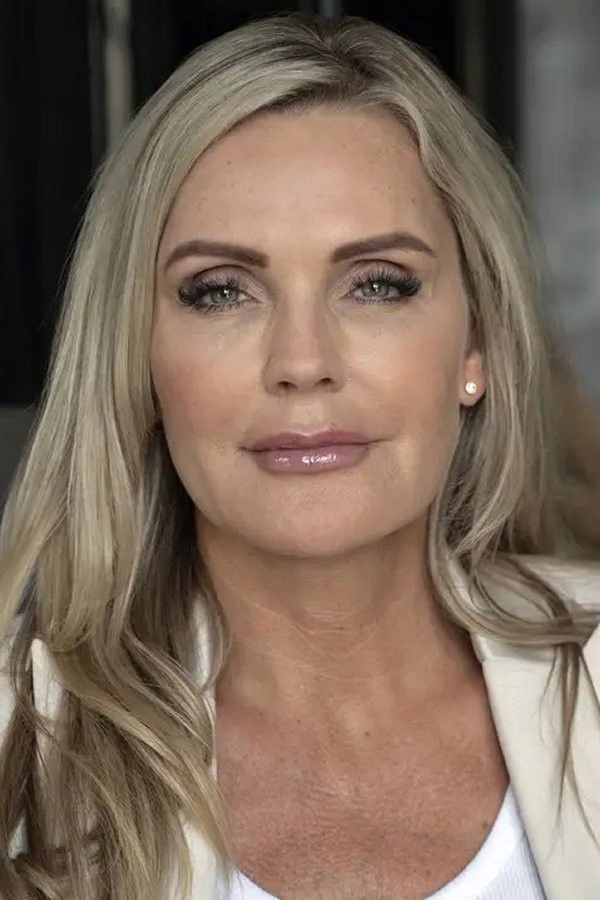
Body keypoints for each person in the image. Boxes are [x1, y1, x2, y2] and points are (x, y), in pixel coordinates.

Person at [0, 10, 599, 900]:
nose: (303, 361)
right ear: (139, 361)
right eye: (220, 292)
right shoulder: (20, 744)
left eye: (378, 284)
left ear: (475, 346)